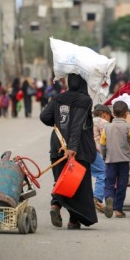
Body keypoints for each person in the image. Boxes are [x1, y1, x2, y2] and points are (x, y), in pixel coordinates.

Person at [40, 73, 98, 230]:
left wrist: (58, 121)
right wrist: (72, 148)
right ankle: (73, 221)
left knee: (61, 180)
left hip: (57, 145)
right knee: (76, 184)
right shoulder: (85, 100)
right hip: (77, 149)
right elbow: (77, 125)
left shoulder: (58, 98)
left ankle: (55, 207)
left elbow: (44, 116)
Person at [100, 101, 130, 218]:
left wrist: (105, 156)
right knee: (121, 185)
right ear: (126, 114)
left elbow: (103, 145)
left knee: (109, 184)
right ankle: (118, 210)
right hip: (124, 161)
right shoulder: (129, 127)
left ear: (113, 113)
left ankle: (109, 198)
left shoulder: (106, 128)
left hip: (110, 161)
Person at [91, 104, 113, 215]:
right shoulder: (103, 122)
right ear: (105, 114)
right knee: (102, 173)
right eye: (110, 117)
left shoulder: (87, 120)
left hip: (79, 151)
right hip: (93, 152)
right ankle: (97, 198)